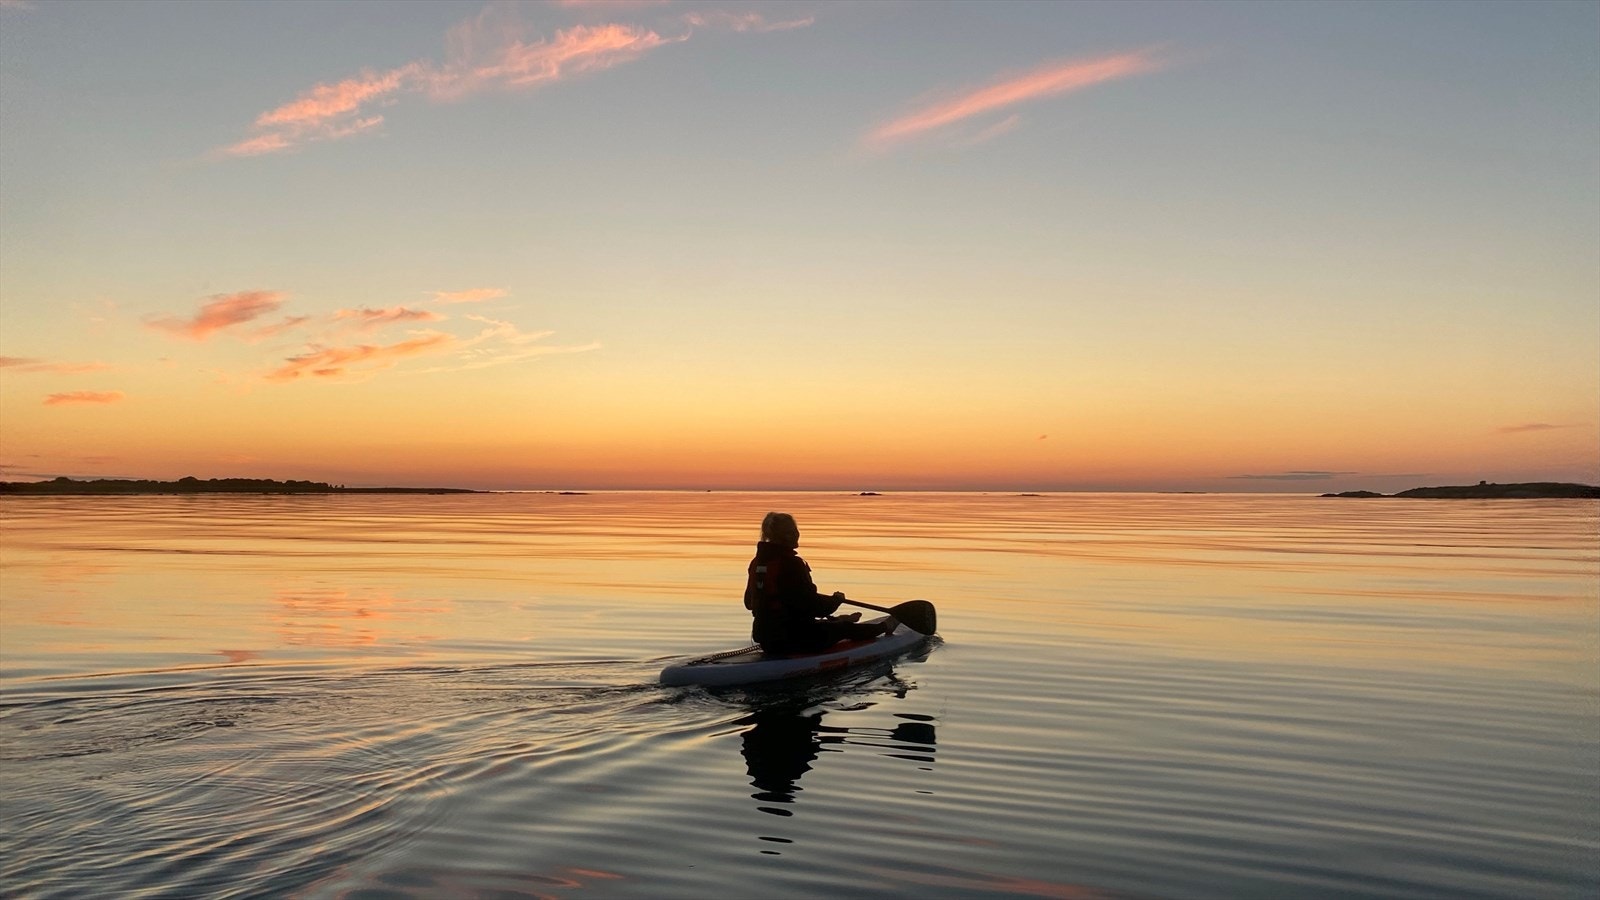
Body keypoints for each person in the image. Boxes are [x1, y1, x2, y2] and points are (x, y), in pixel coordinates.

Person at [744, 512, 895, 655]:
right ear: (784, 536)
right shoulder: (792, 564)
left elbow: (749, 603)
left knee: (823, 624)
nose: (796, 534)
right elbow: (814, 606)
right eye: (792, 531)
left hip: (767, 640)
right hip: (795, 638)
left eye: (795, 531)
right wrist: (836, 601)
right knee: (844, 629)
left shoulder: (756, 563)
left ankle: (837, 621)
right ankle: (885, 626)